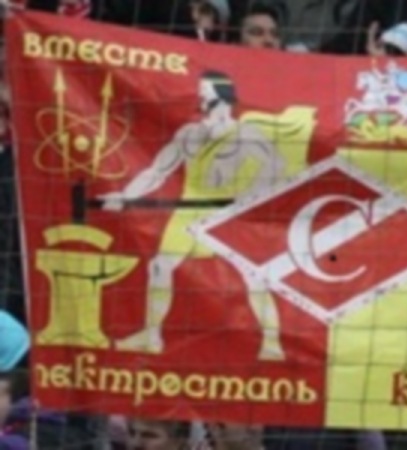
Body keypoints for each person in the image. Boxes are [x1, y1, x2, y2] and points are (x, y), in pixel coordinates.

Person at [99, 71, 286, 360]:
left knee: (254, 276)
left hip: (228, 215)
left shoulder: (247, 135)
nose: (199, 96)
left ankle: (272, 343)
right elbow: (157, 171)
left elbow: (276, 169)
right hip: (188, 211)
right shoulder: (189, 133)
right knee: (160, 266)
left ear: (222, 96)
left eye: (205, 91)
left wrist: (248, 199)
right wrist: (125, 197)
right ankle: (151, 336)